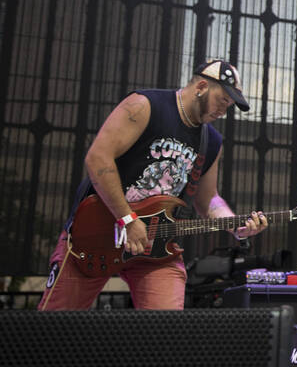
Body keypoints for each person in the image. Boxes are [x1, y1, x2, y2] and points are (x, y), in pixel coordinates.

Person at [38, 60, 268, 310]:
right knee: (51, 330)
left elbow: (208, 199)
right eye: (223, 100)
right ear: (201, 86)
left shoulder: (211, 141)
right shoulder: (146, 105)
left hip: (155, 249)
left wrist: (235, 224)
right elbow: (98, 158)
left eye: (230, 105)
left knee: (164, 334)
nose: (224, 110)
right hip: (97, 233)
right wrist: (126, 219)